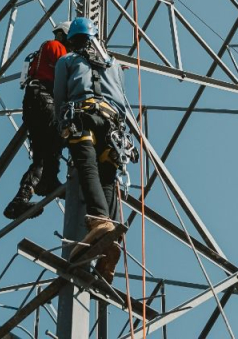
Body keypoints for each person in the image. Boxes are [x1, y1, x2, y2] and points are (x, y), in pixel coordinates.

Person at [54, 16, 136, 283]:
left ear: (71, 40)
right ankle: (110, 244)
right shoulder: (114, 66)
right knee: (108, 178)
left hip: (83, 116)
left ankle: (100, 222)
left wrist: (60, 127)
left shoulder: (66, 61)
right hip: (113, 125)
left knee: (86, 166)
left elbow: (59, 97)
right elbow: (123, 102)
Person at [3, 21, 71, 220]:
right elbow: (70, 71)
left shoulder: (44, 52)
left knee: (44, 154)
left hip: (36, 103)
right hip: (43, 100)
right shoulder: (55, 46)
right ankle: (48, 181)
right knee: (61, 138)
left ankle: (22, 198)